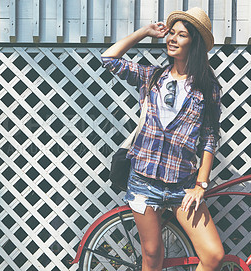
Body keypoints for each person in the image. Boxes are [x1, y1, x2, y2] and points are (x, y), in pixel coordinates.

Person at [101, 7, 225, 271]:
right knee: (152, 256)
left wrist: (201, 184)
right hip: (144, 182)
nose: (172, 39)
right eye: (171, 33)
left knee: (213, 256)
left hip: (183, 186)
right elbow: (109, 59)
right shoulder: (152, 76)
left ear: (194, 43)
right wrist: (144, 32)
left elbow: (209, 138)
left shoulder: (207, 88)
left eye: (181, 35)